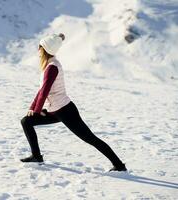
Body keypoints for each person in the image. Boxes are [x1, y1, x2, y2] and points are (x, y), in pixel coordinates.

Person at [20, 33, 127, 172]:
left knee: (90, 138)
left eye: (39, 47)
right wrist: (33, 108)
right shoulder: (49, 66)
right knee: (26, 121)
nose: (38, 50)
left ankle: (119, 166)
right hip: (55, 110)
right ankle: (36, 156)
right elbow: (41, 90)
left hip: (65, 111)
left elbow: (45, 91)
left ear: (44, 49)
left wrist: (37, 109)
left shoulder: (52, 67)